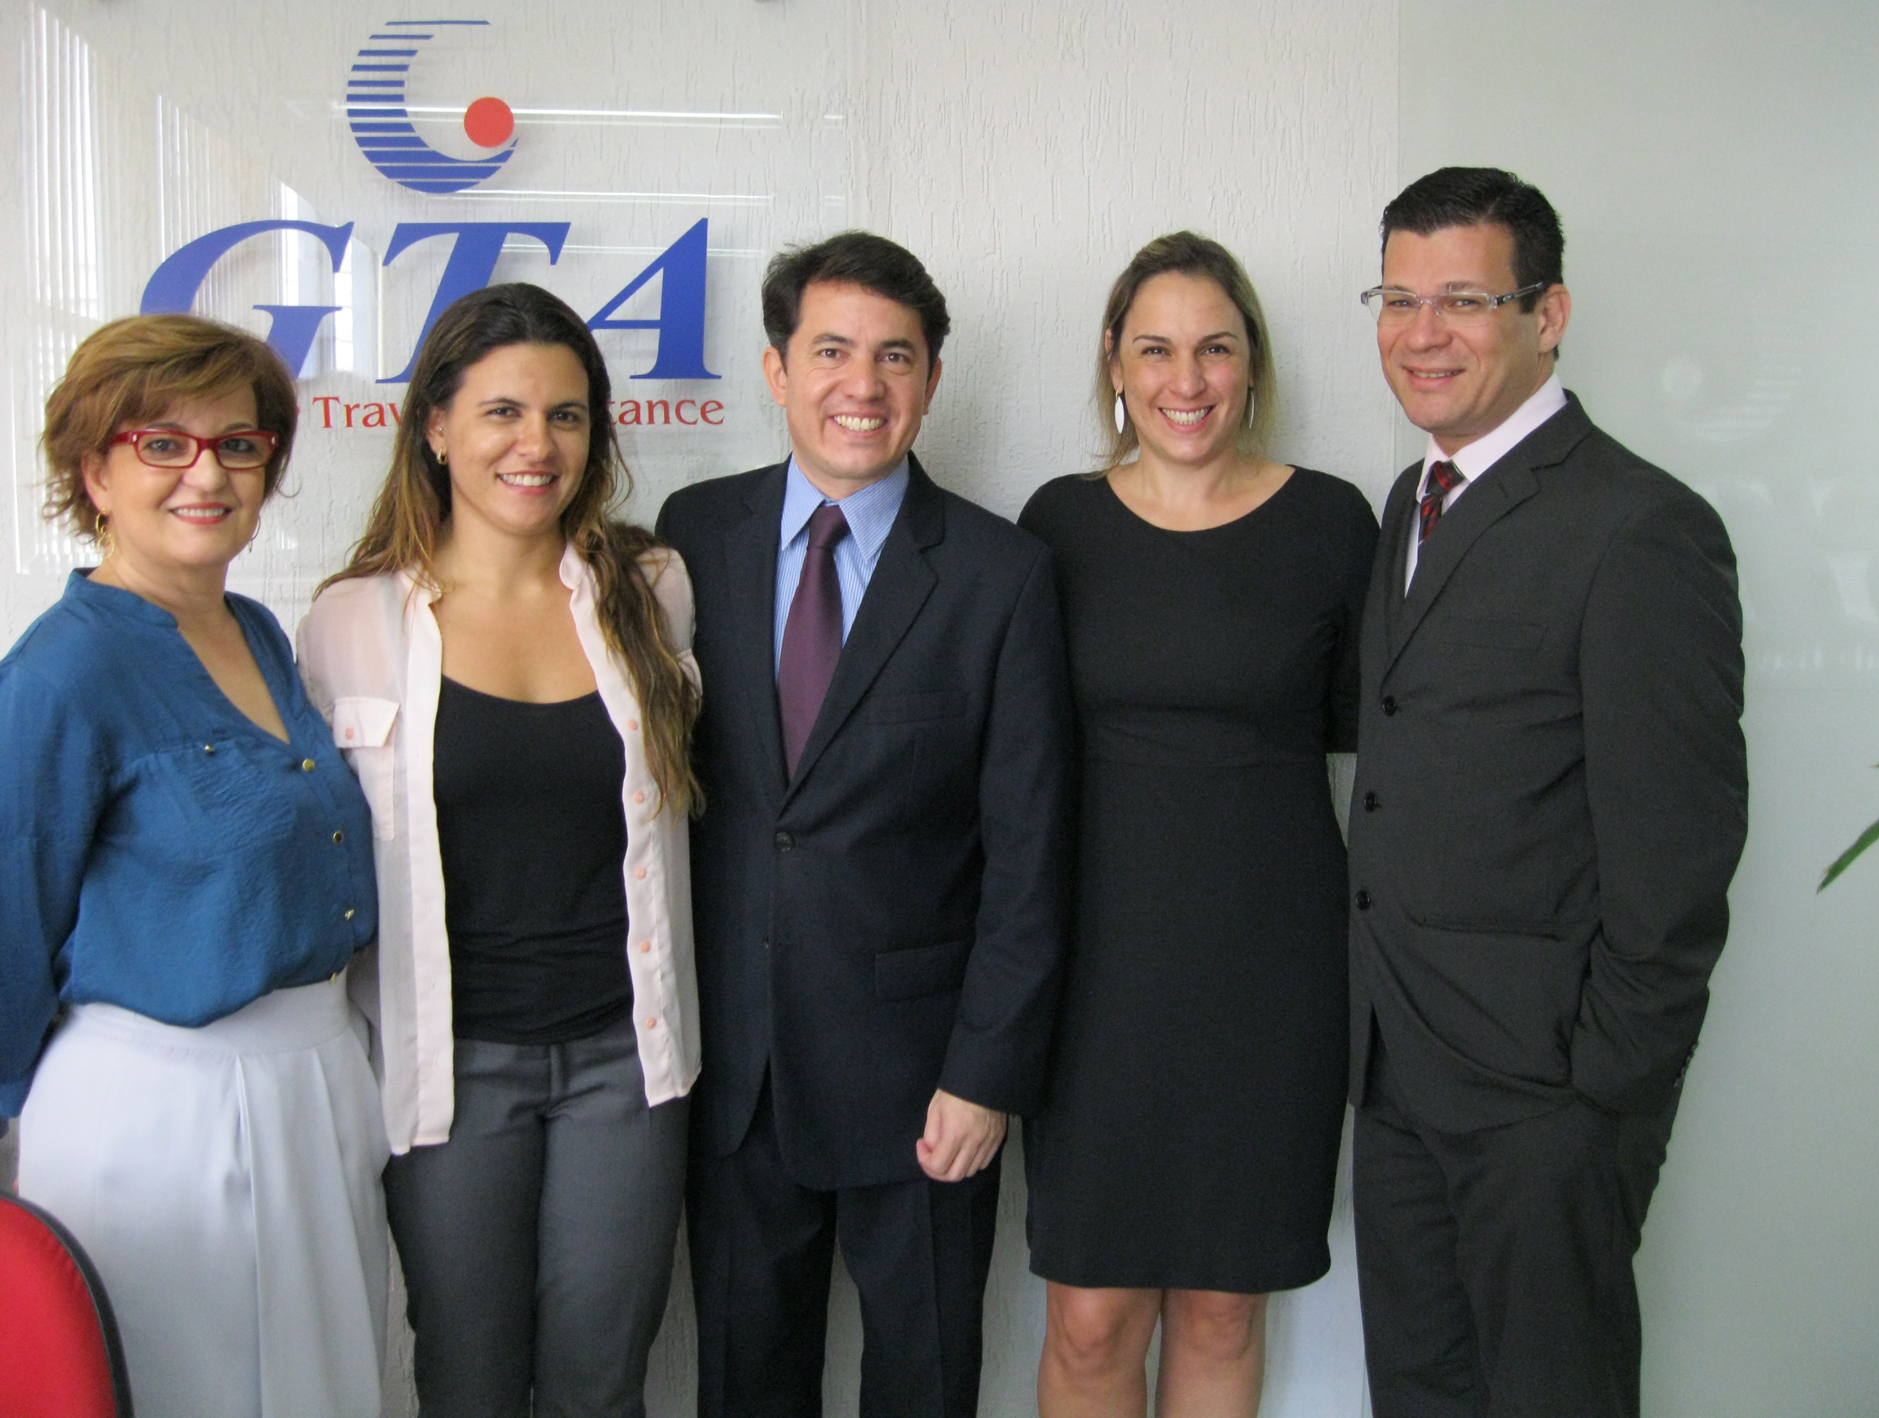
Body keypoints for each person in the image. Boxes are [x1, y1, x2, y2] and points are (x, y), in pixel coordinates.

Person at [1347, 167, 1747, 1416]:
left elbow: (1678, 853)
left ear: (1548, 313)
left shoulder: (1641, 526)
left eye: (1464, 300)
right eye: (1398, 299)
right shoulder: (1412, 498)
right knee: (1420, 1391)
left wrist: (1600, 1095)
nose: (1423, 334)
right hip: (1398, 1068)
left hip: (1545, 1097)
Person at [656, 231, 1075, 1418]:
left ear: (932, 380)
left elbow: (1031, 852)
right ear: (777, 369)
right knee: (745, 1384)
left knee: (925, 1384)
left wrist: (985, 1074)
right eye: (832, 350)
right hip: (737, 1071)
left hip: (923, 1082)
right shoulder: (695, 534)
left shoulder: (1001, 572)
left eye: (896, 356)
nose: (864, 383)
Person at [297, 283, 702, 1418]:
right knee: (466, 1381)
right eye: (503, 412)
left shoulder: (653, 592)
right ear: (436, 426)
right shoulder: (351, 621)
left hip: (627, 1062)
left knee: (599, 1384)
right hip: (450, 1067)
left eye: (566, 415)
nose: (537, 444)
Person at [0, 315, 385, 1418]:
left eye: (237, 444)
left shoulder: (259, 630)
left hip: (313, 1086)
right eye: (161, 444)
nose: (206, 474)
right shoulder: (58, 675)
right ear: (95, 472)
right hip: (156, 1121)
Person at [1019, 232, 1377, 1418]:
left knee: (1226, 1305)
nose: (1187, 378)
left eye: (1216, 347)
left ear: (1253, 362)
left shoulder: (1332, 522)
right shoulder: (1058, 523)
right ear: (1114, 363)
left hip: (1273, 971)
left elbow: (1372, 742)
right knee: (1090, 1317)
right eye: (1157, 348)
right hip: (1095, 974)